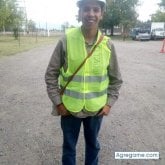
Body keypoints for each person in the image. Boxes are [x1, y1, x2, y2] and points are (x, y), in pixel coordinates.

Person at [45, 0, 123, 164]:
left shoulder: (108, 44)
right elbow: (50, 75)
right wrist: (58, 103)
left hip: (96, 109)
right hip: (69, 108)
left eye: (96, 10)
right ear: (80, 13)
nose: (91, 14)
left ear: (102, 14)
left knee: (93, 146)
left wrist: (109, 104)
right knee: (69, 148)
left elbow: (116, 80)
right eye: (86, 9)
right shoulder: (66, 40)